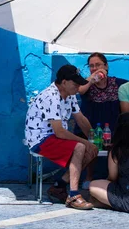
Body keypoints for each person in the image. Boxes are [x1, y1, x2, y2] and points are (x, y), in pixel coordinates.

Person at [77, 53, 129, 189]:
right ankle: (89, 176)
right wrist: (92, 78)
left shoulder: (118, 84)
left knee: (119, 143)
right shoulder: (87, 85)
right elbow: (80, 90)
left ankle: (115, 177)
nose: (94, 68)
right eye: (91, 66)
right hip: (93, 128)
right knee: (90, 141)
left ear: (106, 66)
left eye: (98, 65)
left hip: (113, 128)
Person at [25, 64, 98, 210]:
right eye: (75, 83)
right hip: (40, 139)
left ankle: (59, 186)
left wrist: (94, 140)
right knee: (80, 147)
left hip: (55, 137)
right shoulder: (50, 96)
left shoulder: (69, 96)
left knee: (92, 150)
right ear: (64, 82)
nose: (78, 87)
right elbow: (59, 132)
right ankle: (73, 196)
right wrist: (85, 141)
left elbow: (81, 119)